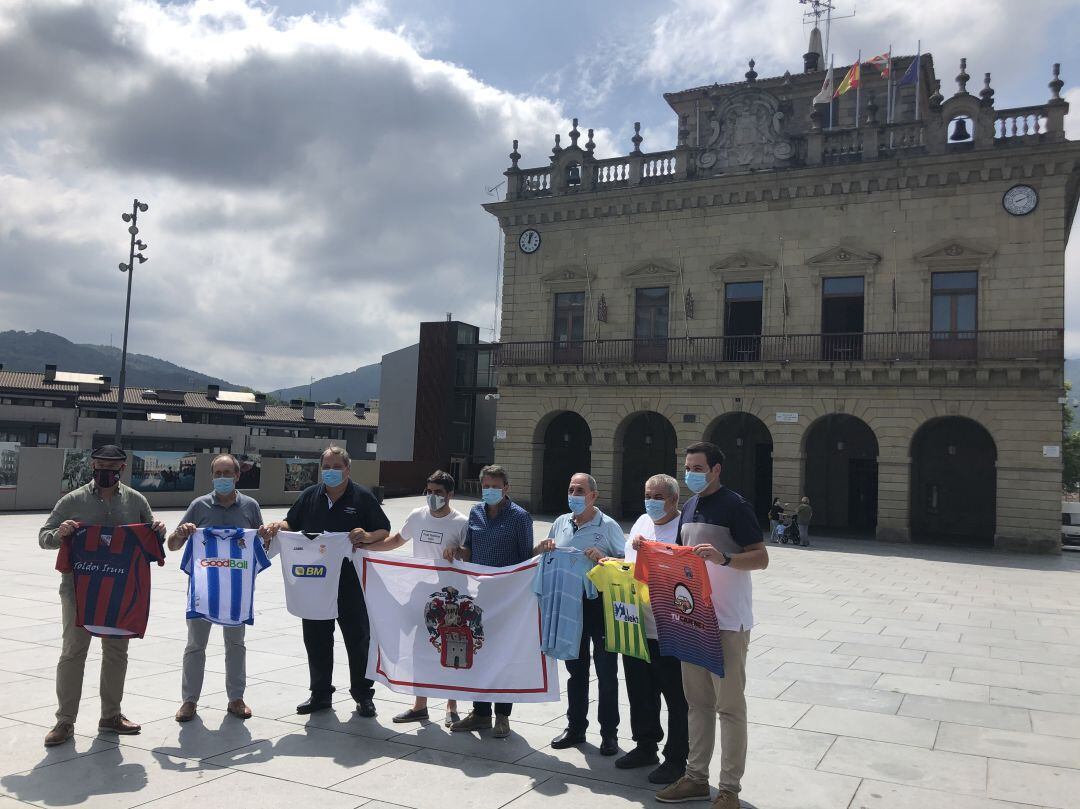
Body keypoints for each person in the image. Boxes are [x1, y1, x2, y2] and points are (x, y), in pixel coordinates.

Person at [655, 442, 769, 809]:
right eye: (688, 466)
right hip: (694, 620)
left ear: (716, 469)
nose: (691, 473)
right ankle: (695, 777)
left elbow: (761, 558)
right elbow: (679, 557)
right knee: (697, 703)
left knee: (730, 707)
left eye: (698, 467)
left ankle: (729, 790)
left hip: (729, 621)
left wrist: (725, 558)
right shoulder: (688, 506)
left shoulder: (736, 506)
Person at [38, 444, 166, 747]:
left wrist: (158, 531)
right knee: (73, 652)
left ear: (122, 469)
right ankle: (64, 721)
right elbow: (44, 537)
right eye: (99, 465)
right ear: (92, 466)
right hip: (77, 592)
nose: (104, 471)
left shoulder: (136, 500)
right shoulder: (72, 500)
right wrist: (61, 534)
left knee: (116, 653)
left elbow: (151, 536)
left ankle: (111, 715)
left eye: (111, 467)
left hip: (120, 592)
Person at [263, 446, 390, 717]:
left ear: (348, 469)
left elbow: (383, 530)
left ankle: (363, 695)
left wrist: (366, 536)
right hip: (315, 583)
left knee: (358, 640)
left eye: (336, 467)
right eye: (327, 467)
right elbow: (291, 523)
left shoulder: (363, 498)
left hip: (350, 583)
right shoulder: (311, 496)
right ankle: (320, 694)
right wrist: (277, 526)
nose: (331, 472)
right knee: (317, 639)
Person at [360, 470, 467, 727]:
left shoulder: (461, 522)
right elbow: (397, 540)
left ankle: (452, 706)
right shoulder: (417, 516)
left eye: (438, 492)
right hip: (421, 594)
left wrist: (458, 552)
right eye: (429, 491)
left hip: (451, 597)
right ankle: (420, 706)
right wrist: (365, 548)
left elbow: (470, 554)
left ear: (450, 494)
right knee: (420, 648)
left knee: (452, 650)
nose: (432, 496)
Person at [168, 454, 265, 723]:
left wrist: (267, 536)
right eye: (217, 473)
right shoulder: (199, 506)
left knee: (236, 645)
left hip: (236, 592)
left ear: (237, 475)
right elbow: (172, 545)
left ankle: (236, 698)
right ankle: (189, 701)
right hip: (203, 591)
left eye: (227, 473)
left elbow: (261, 546)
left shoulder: (250, 506)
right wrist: (182, 533)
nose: (222, 478)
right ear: (212, 476)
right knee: (195, 646)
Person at [536, 472, 626, 757]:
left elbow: (626, 565)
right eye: (571, 488)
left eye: (579, 490)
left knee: (606, 672)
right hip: (568, 605)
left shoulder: (608, 526)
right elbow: (543, 554)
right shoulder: (561, 522)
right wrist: (542, 547)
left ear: (593, 496)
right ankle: (575, 727)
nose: (573, 494)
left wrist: (605, 558)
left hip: (599, 606)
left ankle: (609, 734)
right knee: (576, 671)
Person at [446, 464, 533, 739]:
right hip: (481, 594)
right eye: (486, 486)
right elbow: (469, 550)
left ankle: (502, 716)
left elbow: (526, 559)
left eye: (495, 486)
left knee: (504, 656)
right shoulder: (476, 512)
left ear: (506, 488)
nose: (490, 490)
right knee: (480, 653)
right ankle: (480, 713)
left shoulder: (520, 517)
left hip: (508, 596)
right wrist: (456, 552)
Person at [622, 474, 690, 784]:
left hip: (671, 629)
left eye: (659, 496)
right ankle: (645, 744)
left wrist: (653, 550)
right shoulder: (640, 522)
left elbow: (688, 571)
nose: (651, 500)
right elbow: (628, 564)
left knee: (676, 697)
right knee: (640, 691)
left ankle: (676, 758)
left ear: (675, 499)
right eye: (648, 494)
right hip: (637, 624)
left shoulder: (683, 528)